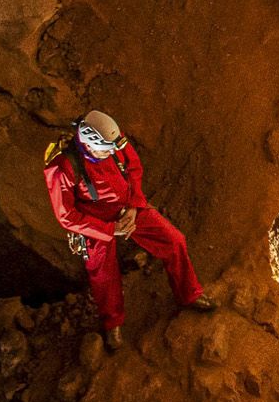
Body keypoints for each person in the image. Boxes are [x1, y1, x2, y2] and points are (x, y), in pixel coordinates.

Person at [44, 110, 214, 350]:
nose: (112, 154)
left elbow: (133, 166)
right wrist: (107, 230)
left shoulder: (114, 141)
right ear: (90, 145)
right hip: (94, 222)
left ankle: (190, 294)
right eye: (105, 151)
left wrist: (134, 206)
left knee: (174, 240)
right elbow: (66, 215)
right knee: (103, 274)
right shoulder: (64, 167)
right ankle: (112, 323)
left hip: (127, 208)